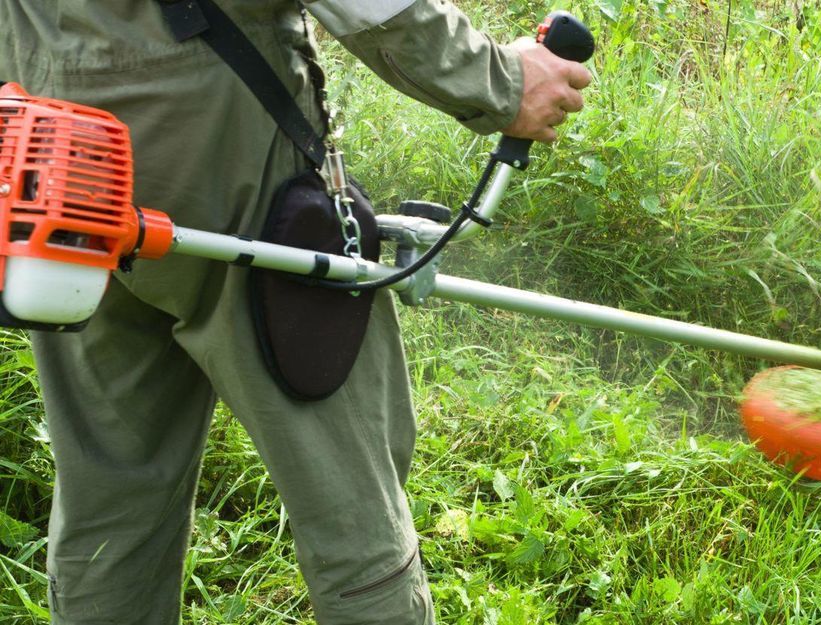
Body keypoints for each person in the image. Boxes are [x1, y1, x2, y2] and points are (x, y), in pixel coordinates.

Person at [0, 1, 591, 623]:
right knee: (349, 492)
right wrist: (501, 82)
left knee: (112, 492)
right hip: (219, 146)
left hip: (52, 148)